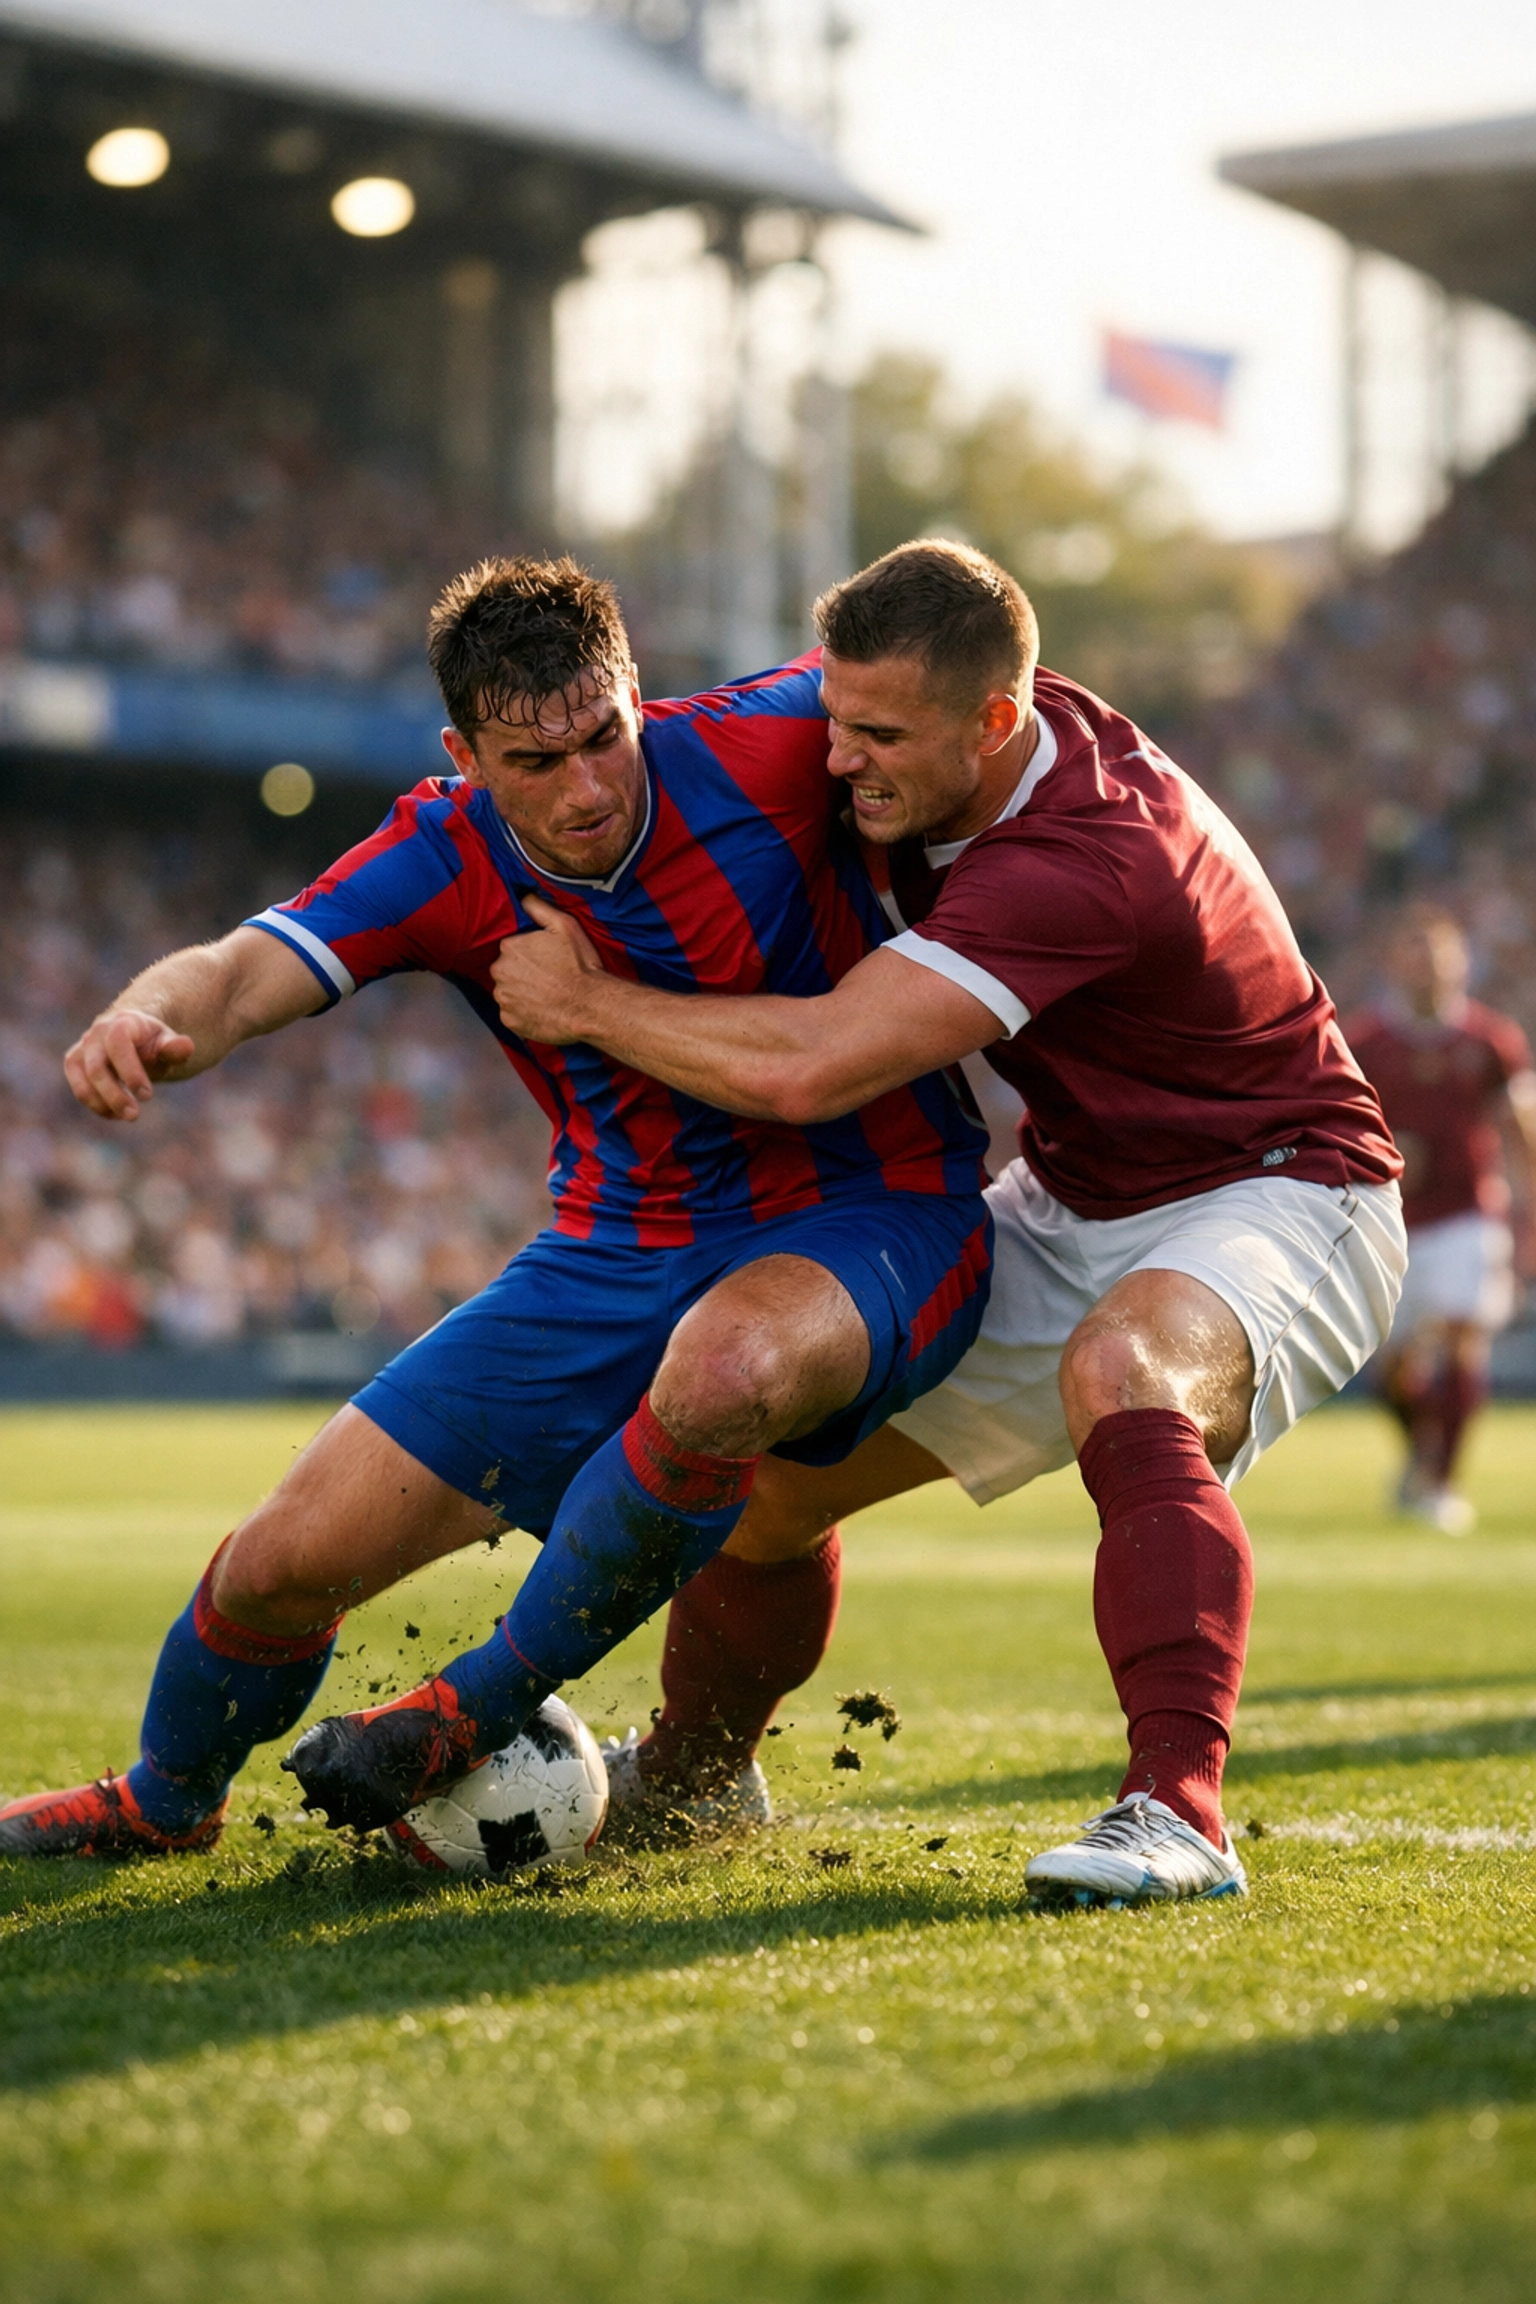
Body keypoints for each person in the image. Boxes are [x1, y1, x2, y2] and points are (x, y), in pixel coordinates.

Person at [0, 554, 993, 1858]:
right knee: (280, 1565)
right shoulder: (437, 855)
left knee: (731, 1372)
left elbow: (970, 686)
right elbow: (238, 973)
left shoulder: (771, 740)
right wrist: (145, 1015)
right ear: (464, 756)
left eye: (604, 738)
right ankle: (163, 1803)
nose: (586, 788)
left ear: (637, 695)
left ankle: (470, 1709)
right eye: (535, 762)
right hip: (616, 1248)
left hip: (877, 1208)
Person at [492, 539, 1407, 1908]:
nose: (837, 757)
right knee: (773, 1473)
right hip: (1079, 1189)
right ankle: (694, 1776)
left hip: (1284, 1185)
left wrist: (586, 1005)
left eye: (878, 737)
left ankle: (1179, 1812)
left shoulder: (1087, 851)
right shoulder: (930, 729)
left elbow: (814, 1067)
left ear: (993, 722)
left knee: (1125, 1370)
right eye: (836, 717)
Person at [1348, 905, 1536, 1535]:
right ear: (1394, 962)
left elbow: (1518, 1128)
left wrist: (1530, 1213)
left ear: (1461, 963)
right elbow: (1336, 1127)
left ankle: (1441, 1485)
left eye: (1438, 954)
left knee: (1461, 1335)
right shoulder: (1364, 1043)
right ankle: (1423, 1456)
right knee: (1392, 1372)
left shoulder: (1489, 1040)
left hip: (1468, 1213)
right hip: (1391, 1222)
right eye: (1414, 952)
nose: (1426, 966)